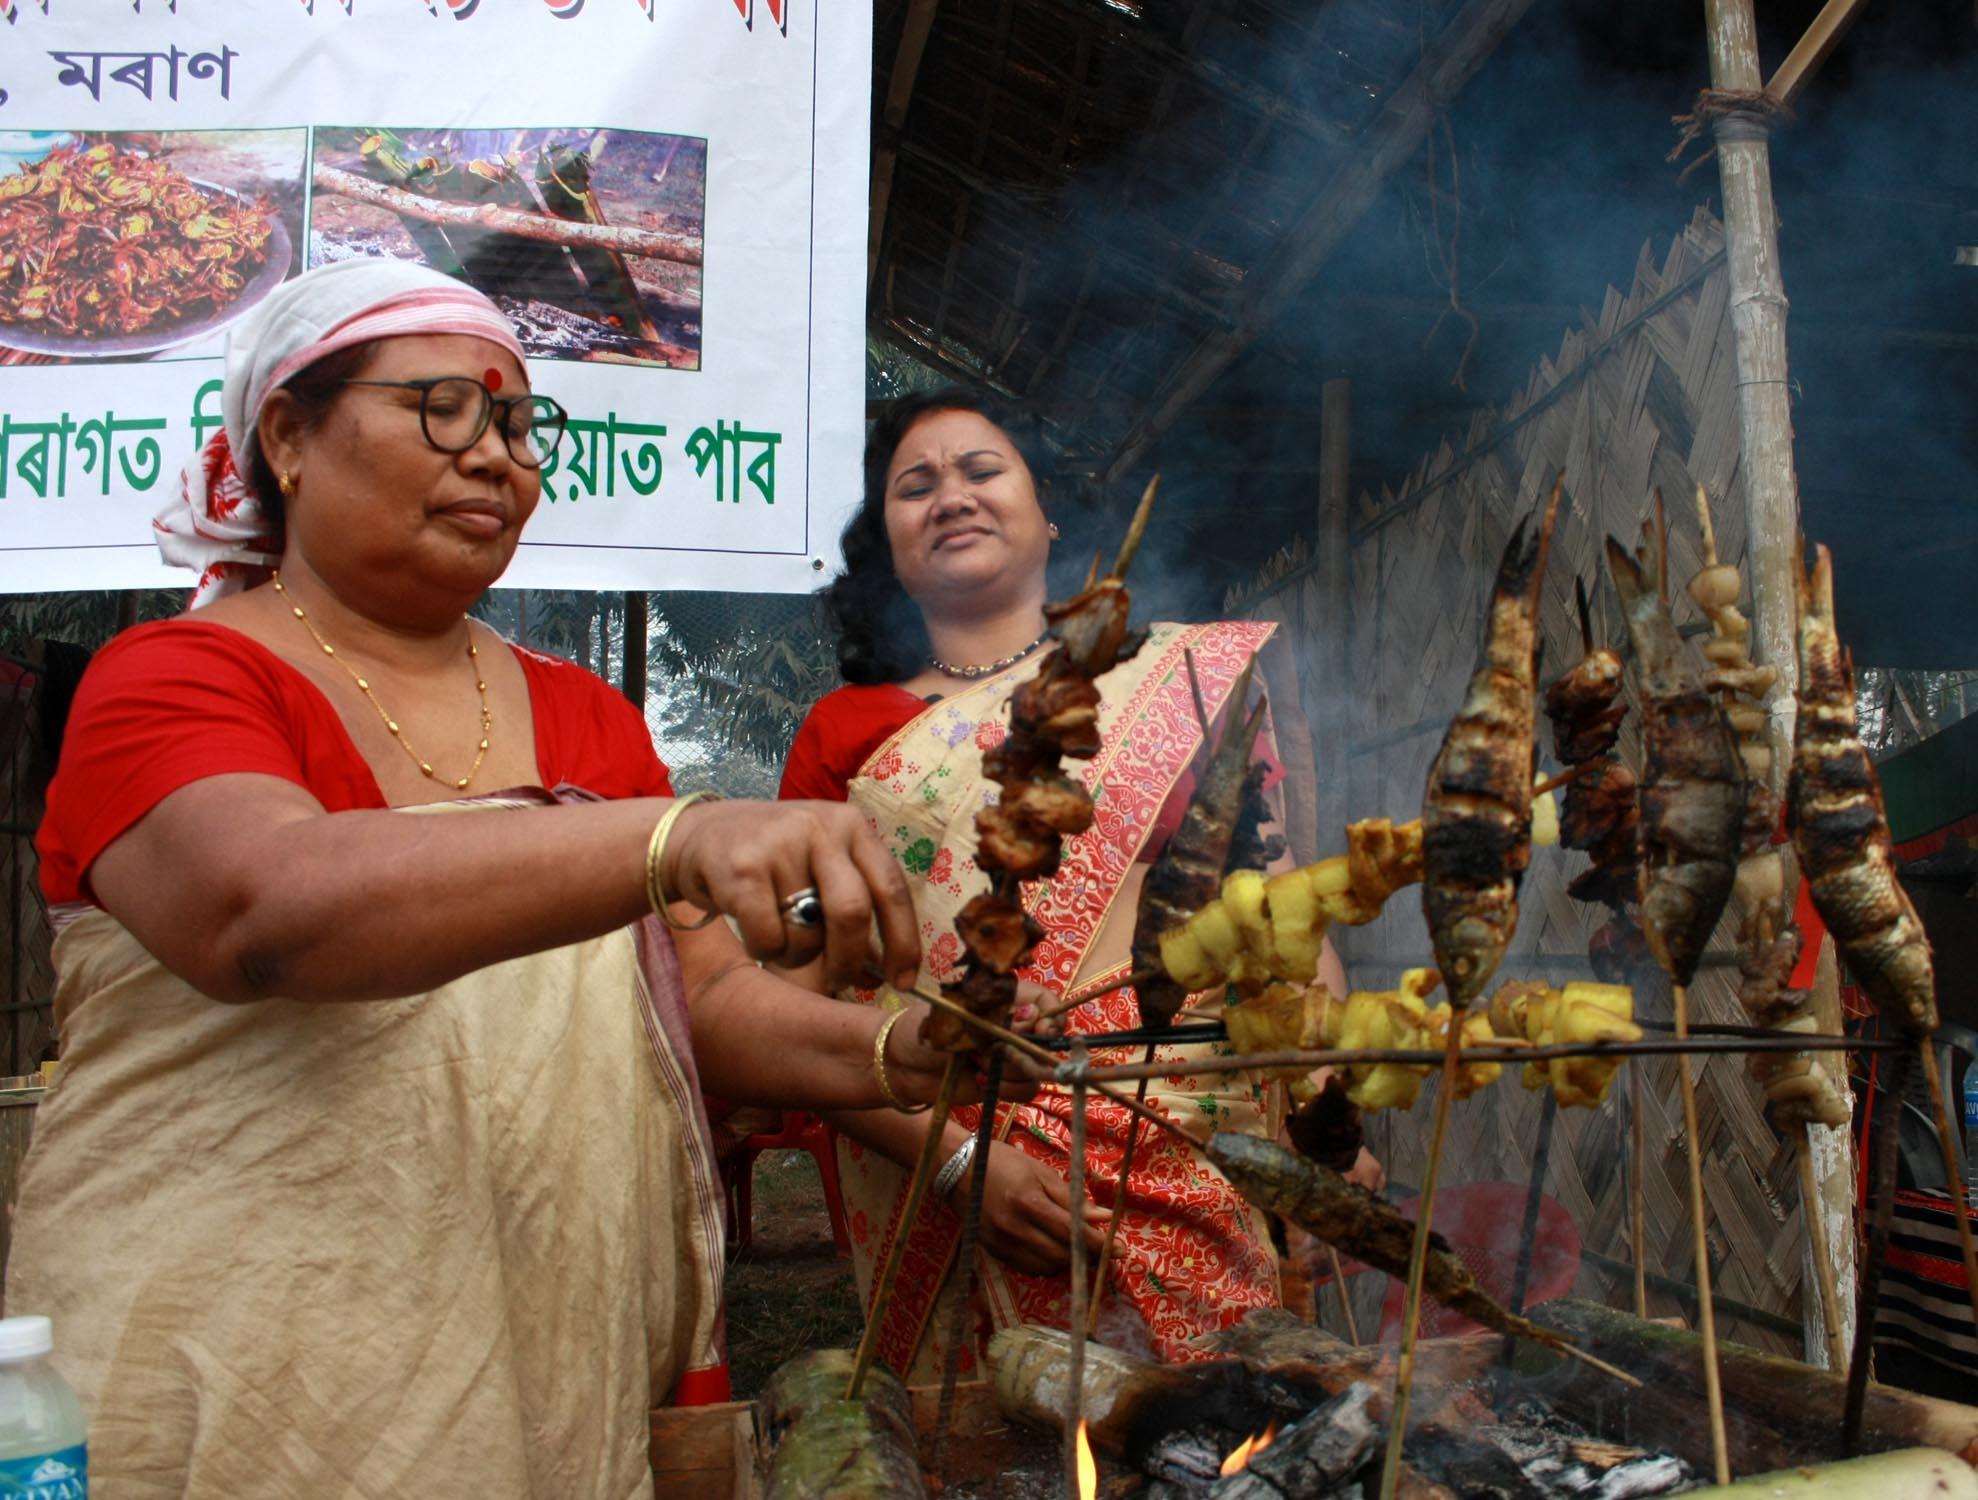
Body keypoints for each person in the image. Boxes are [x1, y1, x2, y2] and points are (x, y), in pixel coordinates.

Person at [5, 261, 994, 1497]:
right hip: (241, 1377)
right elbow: (259, 909)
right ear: (288, 435)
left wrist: (905, 1056)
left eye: (521, 426)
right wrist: (672, 836)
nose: (496, 457)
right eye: (444, 408)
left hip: (533, 1372)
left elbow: (698, 1008)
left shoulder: (587, 719)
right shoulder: (168, 679)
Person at [780, 389, 1375, 1381]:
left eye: (981, 469)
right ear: (885, 538)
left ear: (1043, 506)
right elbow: (792, 1014)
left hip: (1197, 1152)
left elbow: (1280, 921)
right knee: (990, 1448)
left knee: (1222, 1446)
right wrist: (959, 1163)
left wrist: (1325, 1117)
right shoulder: (846, 734)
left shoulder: (1179, 683)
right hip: (946, 1165)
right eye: (913, 486)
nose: (950, 497)